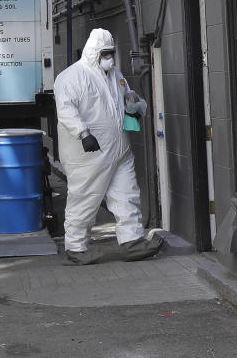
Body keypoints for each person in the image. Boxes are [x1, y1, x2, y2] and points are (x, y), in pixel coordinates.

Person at [54, 28, 162, 265]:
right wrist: (83, 133)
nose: (109, 58)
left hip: (119, 150)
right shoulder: (71, 77)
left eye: (111, 53)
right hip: (88, 154)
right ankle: (76, 248)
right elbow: (66, 109)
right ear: (94, 52)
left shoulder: (115, 75)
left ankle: (132, 242)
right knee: (84, 198)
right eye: (105, 53)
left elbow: (127, 98)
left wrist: (135, 105)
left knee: (127, 195)